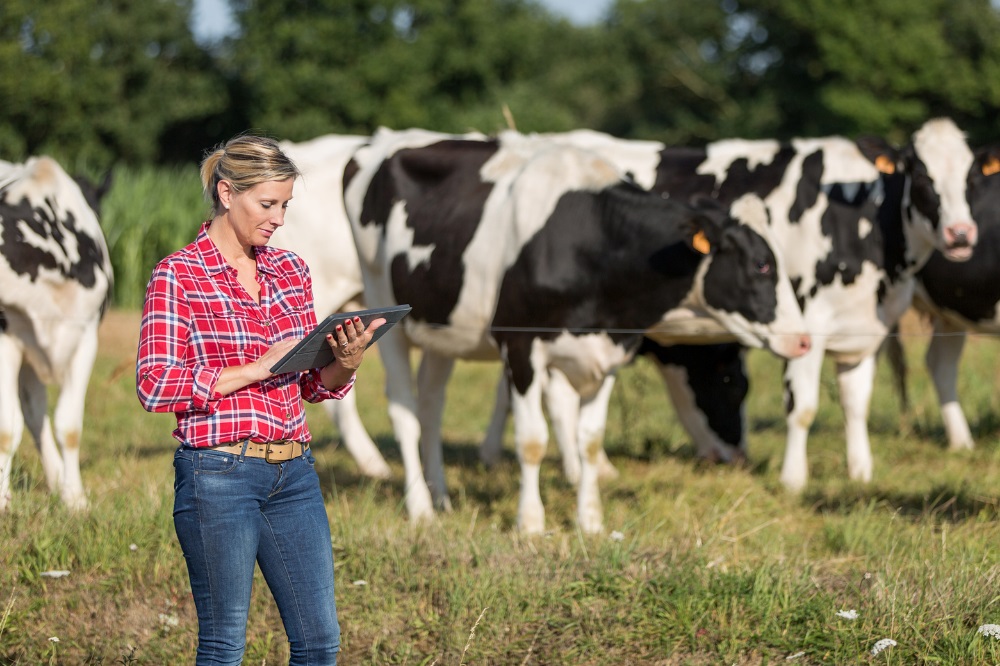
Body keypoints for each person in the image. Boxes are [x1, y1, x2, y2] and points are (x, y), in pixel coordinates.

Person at [136, 133, 381, 665]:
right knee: (224, 646)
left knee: (319, 644)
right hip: (217, 476)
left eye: (285, 205)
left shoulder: (291, 270)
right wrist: (256, 367)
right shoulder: (177, 276)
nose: (279, 217)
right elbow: (154, 384)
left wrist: (347, 359)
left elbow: (312, 386)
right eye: (267, 204)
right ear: (227, 194)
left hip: (294, 473)